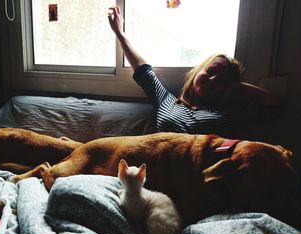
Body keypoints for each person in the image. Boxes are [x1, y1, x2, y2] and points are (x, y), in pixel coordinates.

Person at [108, 6, 278, 137]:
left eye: (221, 81)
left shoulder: (228, 115)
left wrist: (237, 86)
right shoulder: (167, 102)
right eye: (210, 71)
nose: (212, 80)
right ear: (198, 71)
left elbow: (275, 105)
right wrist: (120, 33)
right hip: (160, 173)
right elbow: (143, 71)